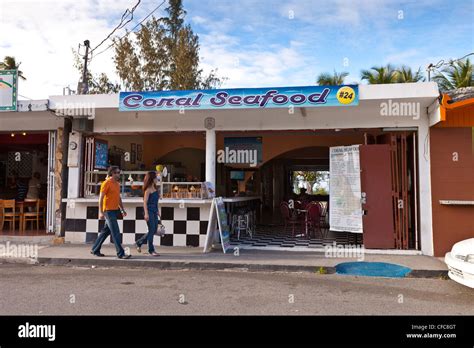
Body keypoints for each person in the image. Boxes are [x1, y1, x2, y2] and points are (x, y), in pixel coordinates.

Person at [91, 166, 131, 259]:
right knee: (115, 231)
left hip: (114, 210)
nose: (119, 174)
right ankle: (120, 253)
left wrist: (122, 209)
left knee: (106, 231)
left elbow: (118, 197)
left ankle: (95, 249)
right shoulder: (106, 183)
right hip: (108, 211)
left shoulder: (117, 184)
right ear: (112, 173)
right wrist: (100, 212)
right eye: (117, 172)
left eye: (119, 172)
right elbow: (100, 199)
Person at [135, 171, 160, 256]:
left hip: (154, 211)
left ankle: (139, 242)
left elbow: (156, 202)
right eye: (156, 177)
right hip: (148, 211)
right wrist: (146, 214)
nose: (157, 179)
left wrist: (157, 210)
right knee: (152, 229)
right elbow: (145, 202)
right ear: (152, 179)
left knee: (154, 229)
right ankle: (151, 250)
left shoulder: (155, 189)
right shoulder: (148, 190)